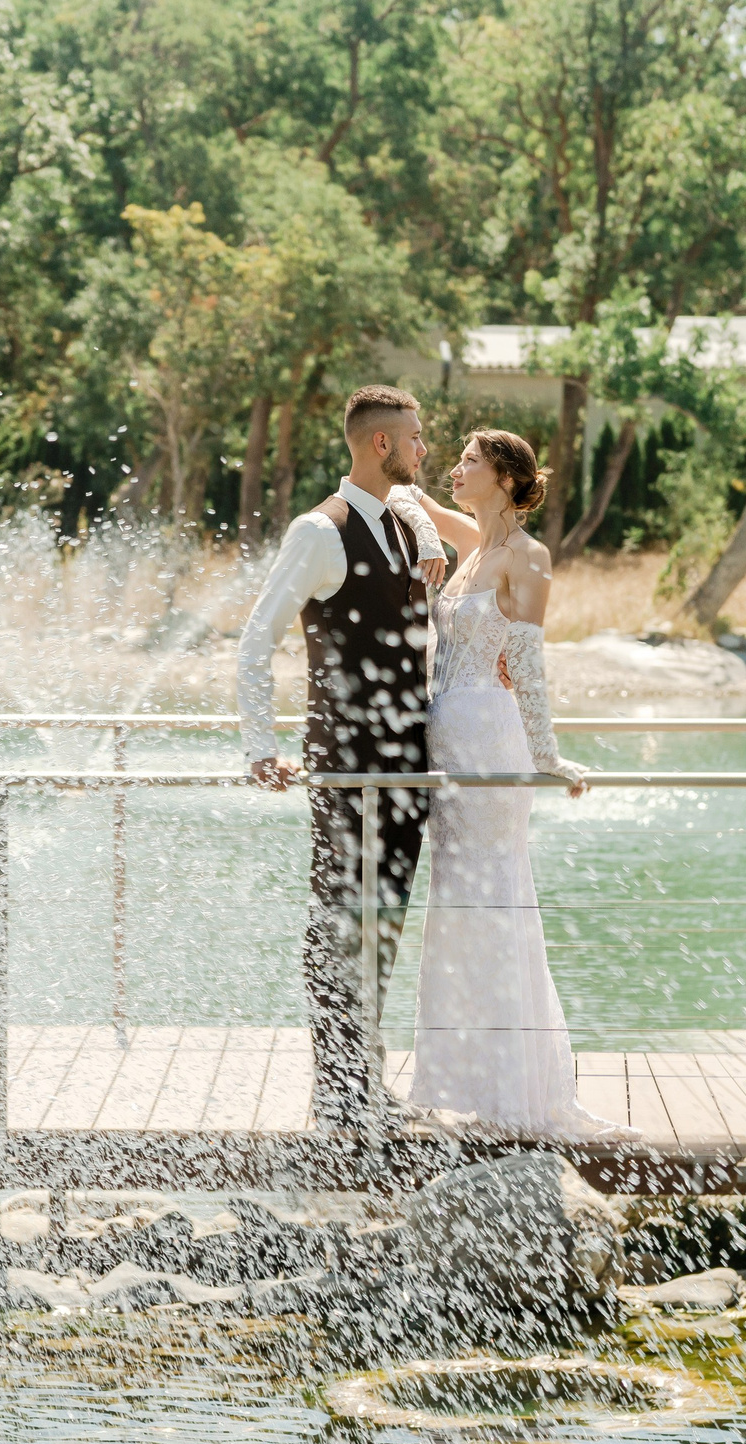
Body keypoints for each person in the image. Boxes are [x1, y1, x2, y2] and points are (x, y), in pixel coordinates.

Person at [400, 429, 630, 1139]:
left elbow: (526, 662)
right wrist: (428, 536)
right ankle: (458, 1076)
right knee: (453, 902)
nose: (456, 468)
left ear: (505, 477)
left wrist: (548, 755)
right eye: (460, 460)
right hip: (446, 739)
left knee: (496, 896)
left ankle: (515, 1083)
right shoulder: (472, 546)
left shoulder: (530, 556)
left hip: (492, 744)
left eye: (470, 461)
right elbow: (405, 494)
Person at [237, 385, 447, 1142]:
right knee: (337, 919)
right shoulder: (317, 531)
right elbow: (255, 639)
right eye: (416, 438)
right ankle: (337, 1090)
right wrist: (261, 745)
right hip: (343, 763)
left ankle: (366, 1078)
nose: (425, 449)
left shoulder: (402, 521)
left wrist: (423, 526)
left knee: (383, 919)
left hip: (407, 766)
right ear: (381, 444)